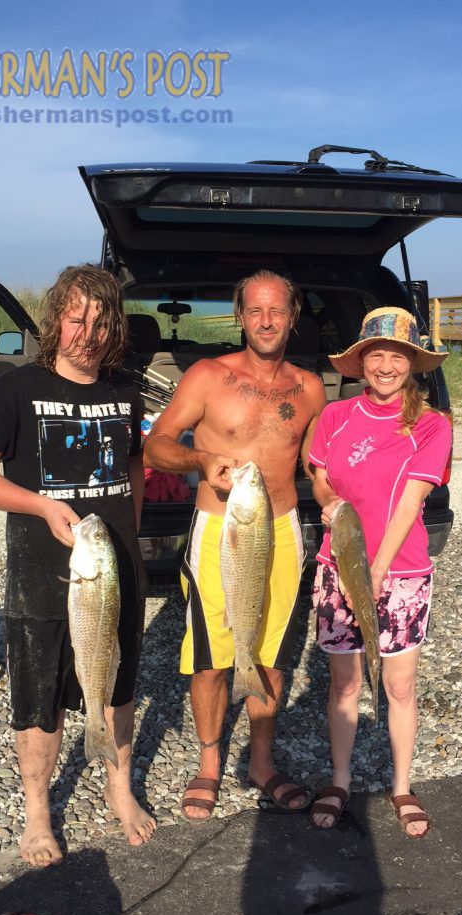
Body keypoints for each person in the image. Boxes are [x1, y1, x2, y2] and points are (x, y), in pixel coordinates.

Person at [0, 264, 155, 866]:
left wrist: (129, 531)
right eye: (76, 317)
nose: (87, 332)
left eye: (100, 320)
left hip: (113, 573)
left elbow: (136, 469)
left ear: (113, 326)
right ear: (55, 320)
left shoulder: (124, 391)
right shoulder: (13, 390)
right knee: (38, 697)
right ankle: (38, 811)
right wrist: (41, 506)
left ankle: (120, 789)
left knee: (115, 686)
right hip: (40, 576)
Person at [143, 270, 327, 821]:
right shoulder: (207, 376)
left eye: (277, 311)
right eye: (255, 311)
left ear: (292, 318)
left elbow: (314, 465)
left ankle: (261, 763)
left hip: (282, 530)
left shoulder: (310, 387)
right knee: (210, 655)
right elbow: (155, 447)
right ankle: (208, 763)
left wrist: (337, 499)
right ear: (239, 316)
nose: (266, 321)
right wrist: (200, 461)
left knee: (270, 651)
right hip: (219, 530)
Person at [307, 307, 452, 836]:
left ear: (412, 364)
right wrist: (327, 503)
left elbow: (412, 503)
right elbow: (321, 477)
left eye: (397, 355)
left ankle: (401, 785)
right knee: (344, 681)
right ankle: (340, 779)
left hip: (403, 569)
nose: (386, 365)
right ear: (360, 362)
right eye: (376, 355)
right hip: (335, 562)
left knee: (400, 682)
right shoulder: (335, 416)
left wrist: (376, 569)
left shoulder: (431, 425)